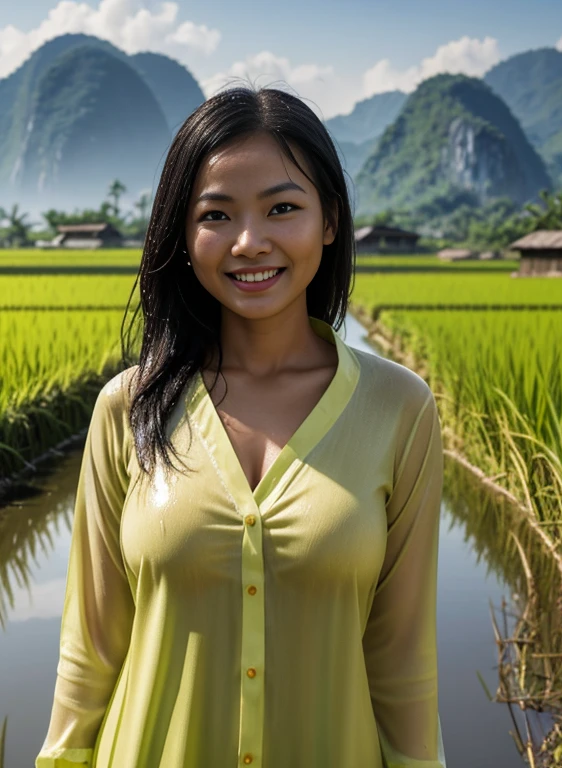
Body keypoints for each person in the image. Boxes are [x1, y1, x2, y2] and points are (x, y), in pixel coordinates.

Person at [36, 84, 446, 768]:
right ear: (183, 234)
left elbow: (402, 658)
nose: (249, 242)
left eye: (282, 208)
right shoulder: (127, 409)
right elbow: (91, 649)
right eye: (216, 215)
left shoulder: (399, 410)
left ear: (330, 220)